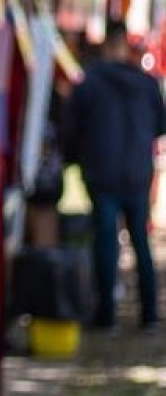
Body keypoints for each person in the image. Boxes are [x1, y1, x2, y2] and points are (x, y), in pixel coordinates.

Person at [60, 20, 166, 331]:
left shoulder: (89, 81)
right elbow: (161, 126)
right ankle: (149, 314)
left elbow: (71, 129)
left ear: (107, 45)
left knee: (106, 243)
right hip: (136, 173)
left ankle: (106, 314)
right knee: (140, 243)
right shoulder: (146, 84)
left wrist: (78, 158)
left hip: (102, 173)